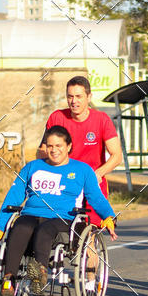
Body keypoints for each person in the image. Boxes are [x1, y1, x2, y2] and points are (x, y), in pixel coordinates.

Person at [0, 126, 117, 296]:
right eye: (50, 146)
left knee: (45, 230)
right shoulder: (32, 167)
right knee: (20, 226)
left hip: (64, 218)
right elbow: (13, 197)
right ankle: (9, 281)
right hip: (31, 214)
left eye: (59, 145)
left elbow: (96, 197)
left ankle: (40, 275)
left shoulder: (82, 170)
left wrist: (108, 216)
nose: (54, 150)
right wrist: (0, 226)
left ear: (68, 146)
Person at [38, 76, 122, 224]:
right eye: (70, 96)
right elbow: (42, 150)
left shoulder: (102, 119)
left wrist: (97, 174)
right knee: (55, 226)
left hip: (92, 183)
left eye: (78, 96)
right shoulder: (57, 118)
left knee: (91, 230)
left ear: (89, 97)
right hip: (63, 184)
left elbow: (117, 155)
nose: (73, 101)